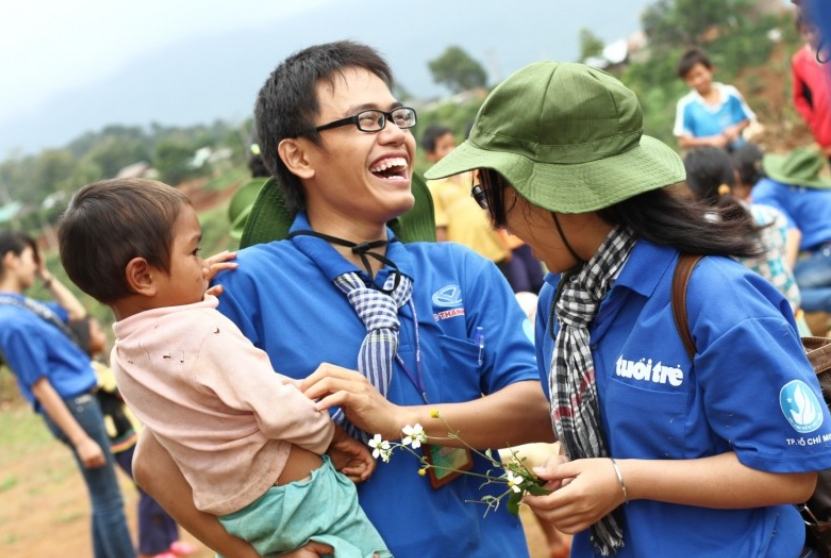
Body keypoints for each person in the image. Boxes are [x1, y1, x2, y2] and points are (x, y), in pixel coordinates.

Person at [131, 40, 553, 558]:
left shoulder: (462, 271)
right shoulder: (243, 288)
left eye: (398, 116)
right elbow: (155, 462)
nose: (397, 134)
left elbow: (538, 408)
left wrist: (395, 420)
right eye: (367, 121)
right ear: (298, 155)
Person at [425, 61, 831, 557]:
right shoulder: (562, 303)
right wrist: (565, 466)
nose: (498, 226)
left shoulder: (713, 298)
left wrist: (622, 480)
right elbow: (608, 437)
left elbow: (790, 477)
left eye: (493, 196)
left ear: (560, 194)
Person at [57, 178, 390, 558]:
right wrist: (336, 439)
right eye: (194, 252)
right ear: (143, 276)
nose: (203, 264)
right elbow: (280, 411)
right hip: (302, 504)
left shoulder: (125, 359)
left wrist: (187, 291)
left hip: (240, 519)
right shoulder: (205, 333)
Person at [0, 232, 136, 558]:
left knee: (102, 497)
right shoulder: (9, 320)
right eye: (32, 258)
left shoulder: (24, 306)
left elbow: (76, 316)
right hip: (73, 407)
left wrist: (47, 279)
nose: (37, 265)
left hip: (80, 403)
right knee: (110, 500)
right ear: (10, 259)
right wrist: (80, 439)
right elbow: (38, 384)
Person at [67, 316, 195, 558]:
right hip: (121, 442)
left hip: (134, 433)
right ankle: (154, 548)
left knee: (166, 485)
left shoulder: (98, 365)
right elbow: (116, 386)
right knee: (151, 491)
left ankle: (169, 541)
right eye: (96, 331)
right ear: (84, 339)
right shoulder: (89, 371)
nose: (102, 335)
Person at [683, 146, 803, 315]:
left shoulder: (699, 236)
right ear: (734, 175)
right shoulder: (769, 215)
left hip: (763, 332)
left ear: (692, 190)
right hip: (796, 318)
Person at [421, 124, 513, 275]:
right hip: (468, 263)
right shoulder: (433, 188)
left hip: (496, 252)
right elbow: (441, 232)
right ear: (430, 155)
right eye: (444, 147)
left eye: (452, 145)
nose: (451, 150)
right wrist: (450, 266)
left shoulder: (471, 175)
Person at [750, 147, 831, 315]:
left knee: (790, 293)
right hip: (824, 249)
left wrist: (782, 280)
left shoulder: (762, 191)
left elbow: (792, 234)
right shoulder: (804, 182)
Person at [674, 47, 756, 151]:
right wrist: (710, 141)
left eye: (699, 74)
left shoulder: (730, 93)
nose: (697, 81)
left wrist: (735, 129)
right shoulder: (686, 105)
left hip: (738, 152)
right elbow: (683, 141)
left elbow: (747, 119)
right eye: (690, 78)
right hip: (709, 161)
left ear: (710, 69)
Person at [792, 15, 831, 164]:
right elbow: (799, 98)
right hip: (825, 131)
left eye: (813, 30)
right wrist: (814, 122)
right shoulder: (799, 61)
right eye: (805, 32)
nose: (810, 36)